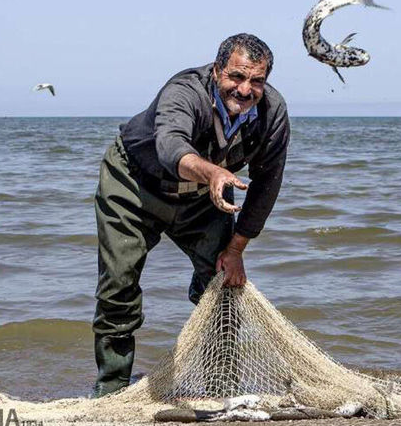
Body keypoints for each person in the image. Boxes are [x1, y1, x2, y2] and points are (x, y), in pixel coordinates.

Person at [91, 33, 290, 397]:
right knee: (118, 285)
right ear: (217, 71)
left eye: (257, 81)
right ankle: (111, 389)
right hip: (134, 183)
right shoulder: (184, 92)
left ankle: (220, 385)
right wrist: (212, 171)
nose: (245, 90)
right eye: (236, 77)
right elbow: (170, 147)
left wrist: (237, 249)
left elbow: (268, 183)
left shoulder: (271, 113)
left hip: (202, 198)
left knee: (223, 283)